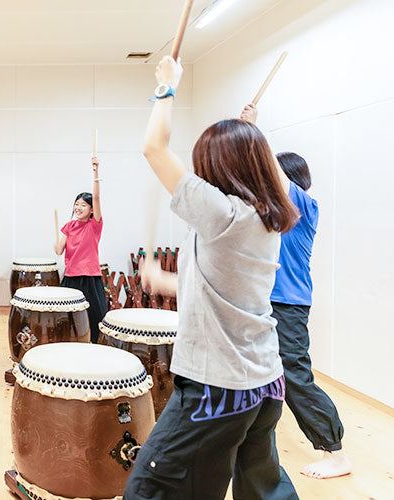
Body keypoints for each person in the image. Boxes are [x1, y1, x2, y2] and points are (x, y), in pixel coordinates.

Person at [123, 56, 299, 499]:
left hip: (217, 387)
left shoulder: (223, 214)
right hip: (265, 382)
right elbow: (223, 289)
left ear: (219, 167)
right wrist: (163, 282)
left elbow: (154, 148)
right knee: (261, 488)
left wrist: (167, 86)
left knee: (150, 489)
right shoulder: (268, 217)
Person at [240, 105, 351, 479]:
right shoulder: (273, 213)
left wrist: (255, 133)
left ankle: (334, 452)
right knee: (259, 372)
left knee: (295, 376)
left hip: (288, 305)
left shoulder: (305, 205)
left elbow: (270, 171)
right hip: (265, 302)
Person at [53, 156, 108, 343]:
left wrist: (95, 172)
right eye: (76, 204)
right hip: (71, 277)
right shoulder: (69, 226)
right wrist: (56, 243)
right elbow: (59, 250)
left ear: (92, 209)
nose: (78, 207)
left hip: (90, 277)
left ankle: (96, 348)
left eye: (83, 205)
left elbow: (98, 197)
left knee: (96, 316)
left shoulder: (95, 225)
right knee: (64, 316)